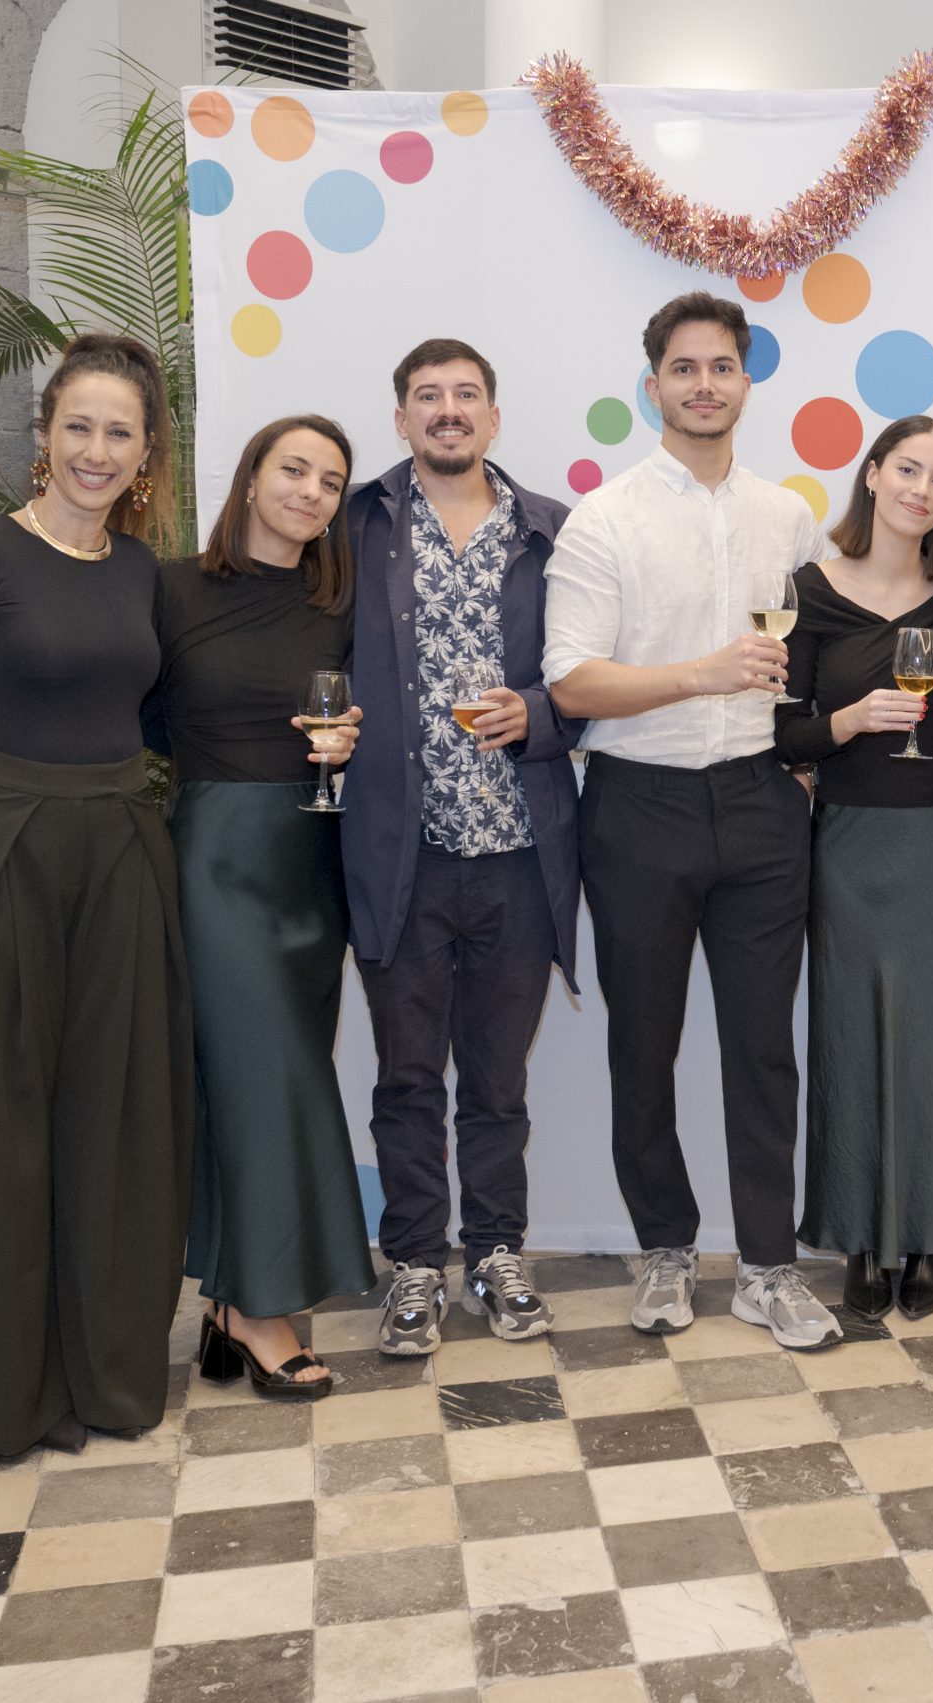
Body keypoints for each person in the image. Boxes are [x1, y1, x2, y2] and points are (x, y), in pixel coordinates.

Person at [0, 332, 190, 1457]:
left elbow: (160, 719)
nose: (96, 451)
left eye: (121, 432)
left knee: (114, 1114)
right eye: (79, 427)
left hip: (119, 850)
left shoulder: (143, 573)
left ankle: (106, 1374)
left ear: (147, 452)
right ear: (44, 436)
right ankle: (7, 1392)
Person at [545, 292, 844, 1352]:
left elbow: (802, 666)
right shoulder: (605, 517)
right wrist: (699, 676)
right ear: (653, 384)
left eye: (722, 366)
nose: (704, 384)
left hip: (763, 804)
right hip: (639, 806)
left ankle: (767, 1264)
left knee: (766, 1049)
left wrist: (795, 770)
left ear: (747, 381)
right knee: (644, 1047)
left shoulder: (788, 516)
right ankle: (665, 1246)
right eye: (684, 368)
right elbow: (574, 685)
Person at [342, 339, 582, 1355]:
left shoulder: (552, 533)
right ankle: (411, 1264)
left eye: (465, 395)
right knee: (405, 1075)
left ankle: (496, 1252)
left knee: (496, 1079)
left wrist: (532, 713)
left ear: (492, 415)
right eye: (426, 397)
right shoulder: (353, 526)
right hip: (400, 851)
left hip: (519, 853)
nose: (447, 411)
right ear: (400, 419)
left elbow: (591, 683)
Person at [146, 415, 373, 1401]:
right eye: (295, 468)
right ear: (248, 476)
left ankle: (228, 1302)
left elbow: (373, 711)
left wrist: (351, 736)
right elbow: (136, 713)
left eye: (330, 480)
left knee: (254, 1082)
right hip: (215, 859)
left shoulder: (341, 603)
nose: (312, 491)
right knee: (271, 1072)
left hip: (310, 857)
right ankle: (266, 1307)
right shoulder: (168, 590)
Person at [777, 415, 933, 1321]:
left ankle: (932, 1236)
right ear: (871, 474)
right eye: (909, 469)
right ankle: (859, 1236)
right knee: (848, 1037)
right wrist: (847, 724)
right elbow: (778, 729)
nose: (922, 490)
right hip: (848, 842)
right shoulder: (809, 590)